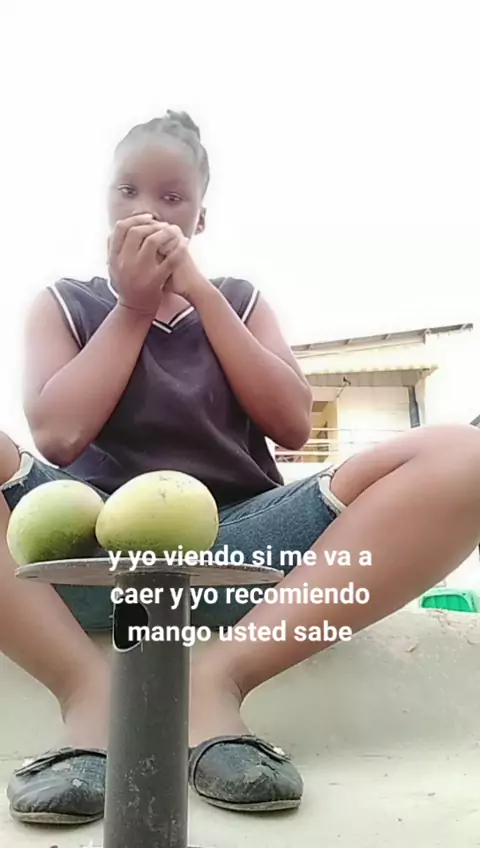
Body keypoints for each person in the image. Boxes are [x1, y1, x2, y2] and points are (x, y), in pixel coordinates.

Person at [2, 109, 480, 827]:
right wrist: (132, 309)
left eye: (172, 197)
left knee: (465, 456)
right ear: (105, 202)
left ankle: (218, 681)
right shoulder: (64, 303)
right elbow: (60, 435)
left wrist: (201, 293)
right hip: (83, 555)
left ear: (200, 218)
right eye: (129, 191)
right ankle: (87, 692)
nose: (148, 211)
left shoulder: (241, 300)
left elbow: (291, 425)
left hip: (239, 556)